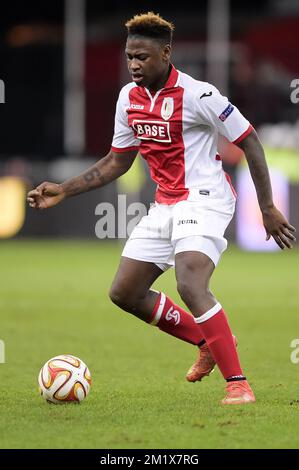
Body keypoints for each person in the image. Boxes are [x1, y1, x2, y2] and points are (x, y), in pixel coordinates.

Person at [27, 12, 296, 405]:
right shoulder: (128, 99)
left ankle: (238, 384)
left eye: (143, 57)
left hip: (205, 199)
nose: (134, 64)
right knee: (125, 292)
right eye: (129, 57)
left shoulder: (199, 95)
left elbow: (250, 139)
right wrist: (64, 190)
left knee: (190, 283)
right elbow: (116, 162)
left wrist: (267, 207)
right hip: (165, 203)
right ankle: (205, 339)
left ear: (166, 53)